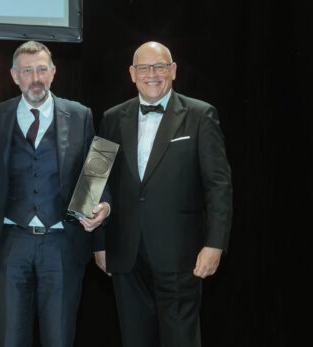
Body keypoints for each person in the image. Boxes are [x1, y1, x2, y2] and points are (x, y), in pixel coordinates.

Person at [95, 41, 233, 347]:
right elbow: (95, 181)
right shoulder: (112, 117)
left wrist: (215, 244)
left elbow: (218, 185)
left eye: (159, 66)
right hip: (125, 253)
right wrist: (98, 243)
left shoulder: (200, 115)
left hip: (181, 254)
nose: (151, 74)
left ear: (173, 70)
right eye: (143, 68)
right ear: (132, 74)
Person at [0, 40, 110, 346]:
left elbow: (96, 176)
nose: (34, 78)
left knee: (59, 338)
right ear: (13, 75)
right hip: (12, 242)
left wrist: (102, 207)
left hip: (62, 243)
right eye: (27, 71)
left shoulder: (80, 114)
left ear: (53, 72)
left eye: (41, 70)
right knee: (11, 338)